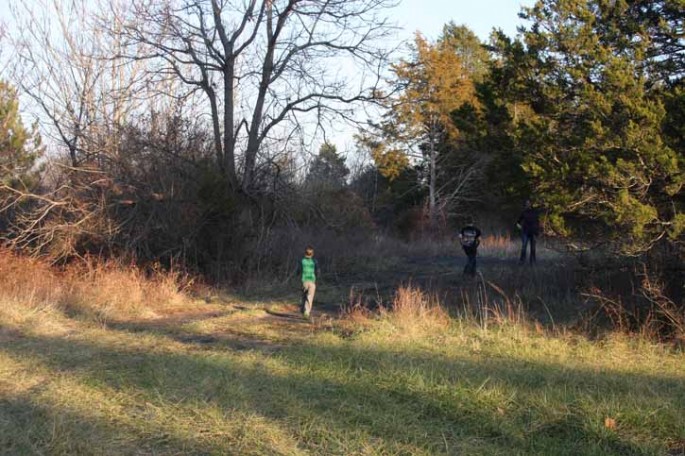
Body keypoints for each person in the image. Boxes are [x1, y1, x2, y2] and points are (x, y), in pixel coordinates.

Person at [516, 199, 540, 265]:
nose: (527, 204)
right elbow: (518, 222)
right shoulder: (524, 212)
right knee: (524, 246)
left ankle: (533, 261)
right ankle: (522, 261)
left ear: (531, 204)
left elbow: (537, 222)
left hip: (533, 232)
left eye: (528, 203)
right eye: (526, 203)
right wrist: (520, 227)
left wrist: (537, 231)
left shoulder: (535, 212)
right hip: (525, 232)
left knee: (533, 247)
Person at [297, 245, 318, 318]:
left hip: (304, 281)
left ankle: (303, 310)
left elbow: (298, 271)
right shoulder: (315, 261)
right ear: (312, 254)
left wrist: (297, 275)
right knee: (309, 297)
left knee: (304, 296)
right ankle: (306, 312)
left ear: (305, 253)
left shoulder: (301, 261)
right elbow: (317, 271)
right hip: (312, 281)